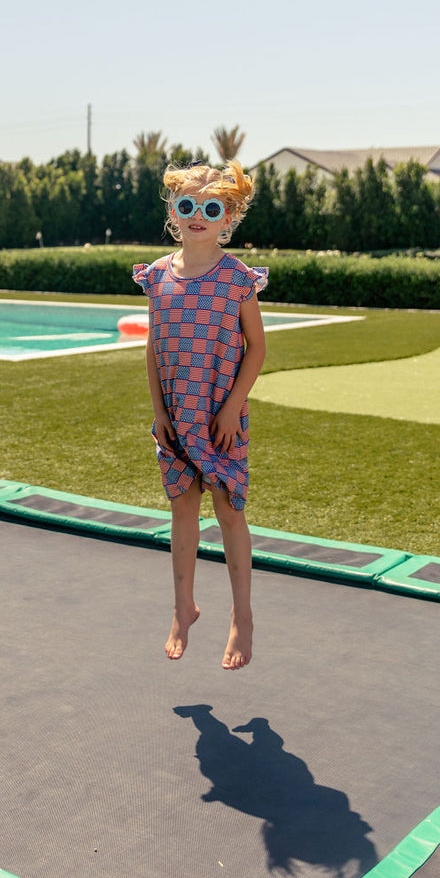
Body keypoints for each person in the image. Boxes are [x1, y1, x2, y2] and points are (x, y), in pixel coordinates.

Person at [134, 160, 267, 669]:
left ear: (227, 219)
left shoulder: (236, 279)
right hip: (175, 416)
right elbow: (153, 350)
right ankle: (182, 607)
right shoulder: (157, 277)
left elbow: (256, 348)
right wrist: (159, 412)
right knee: (182, 509)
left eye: (211, 209)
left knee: (229, 511)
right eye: (187, 205)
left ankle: (242, 615)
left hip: (219, 419)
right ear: (173, 210)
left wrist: (232, 408)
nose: (197, 216)